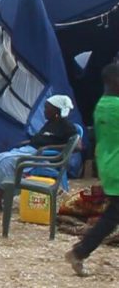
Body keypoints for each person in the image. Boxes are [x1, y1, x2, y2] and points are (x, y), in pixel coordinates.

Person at [0, 95, 78, 212]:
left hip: (40, 155)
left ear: (56, 110)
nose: (44, 111)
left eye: (47, 108)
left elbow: (76, 145)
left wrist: (49, 147)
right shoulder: (50, 123)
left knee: (5, 163)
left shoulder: (67, 127)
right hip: (29, 150)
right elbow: (40, 139)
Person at [66, 64, 119, 276]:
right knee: (111, 217)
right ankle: (79, 252)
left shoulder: (102, 105)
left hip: (109, 166)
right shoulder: (116, 107)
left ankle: (80, 252)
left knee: (112, 217)